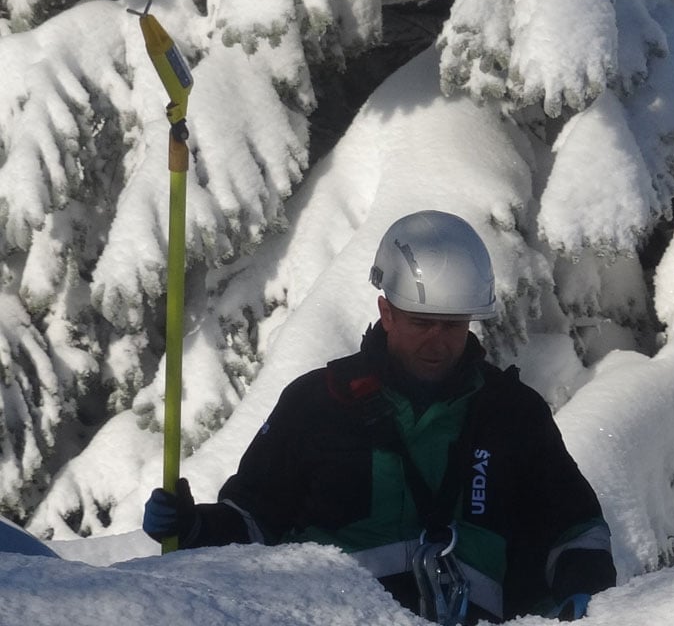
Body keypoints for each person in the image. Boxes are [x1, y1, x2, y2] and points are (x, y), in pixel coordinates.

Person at [143, 210, 616, 623]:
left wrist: (584, 594)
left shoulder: (512, 414)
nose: (438, 341)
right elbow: (252, 523)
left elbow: (576, 528)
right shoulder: (319, 403)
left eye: (453, 325)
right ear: (386, 312)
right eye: (421, 322)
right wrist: (194, 528)